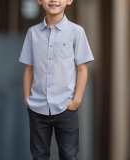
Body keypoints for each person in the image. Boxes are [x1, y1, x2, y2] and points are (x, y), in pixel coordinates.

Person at [19, 0, 95, 159]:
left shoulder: (76, 32)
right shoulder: (32, 33)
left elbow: (82, 69)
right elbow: (29, 69)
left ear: (69, 0)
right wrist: (27, 99)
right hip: (37, 108)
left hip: (66, 108)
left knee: (69, 155)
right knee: (39, 156)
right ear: (39, 1)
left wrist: (76, 100)